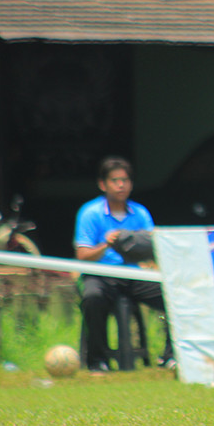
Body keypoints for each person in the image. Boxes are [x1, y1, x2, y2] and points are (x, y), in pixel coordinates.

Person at [74, 156, 174, 372]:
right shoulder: (90, 213)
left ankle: (170, 356)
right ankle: (97, 360)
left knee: (173, 294)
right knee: (92, 297)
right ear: (103, 184)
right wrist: (107, 245)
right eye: (115, 180)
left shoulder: (140, 213)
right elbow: (82, 256)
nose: (121, 185)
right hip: (101, 275)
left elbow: (153, 247)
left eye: (125, 180)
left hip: (134, 275)